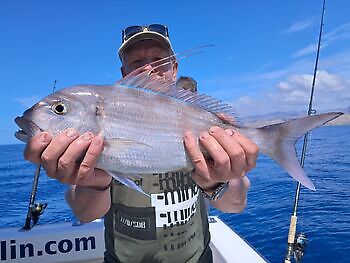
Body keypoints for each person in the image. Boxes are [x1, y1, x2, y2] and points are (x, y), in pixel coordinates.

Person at [24, 24, 258, 262]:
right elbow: (85, 214)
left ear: (174, 68)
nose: (148, 68)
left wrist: (217, 182)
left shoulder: (198, 116)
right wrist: (94, 183)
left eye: (158, 60)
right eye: (137, 63)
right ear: (124, 72)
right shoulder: (92, 137)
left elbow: (235, 204)